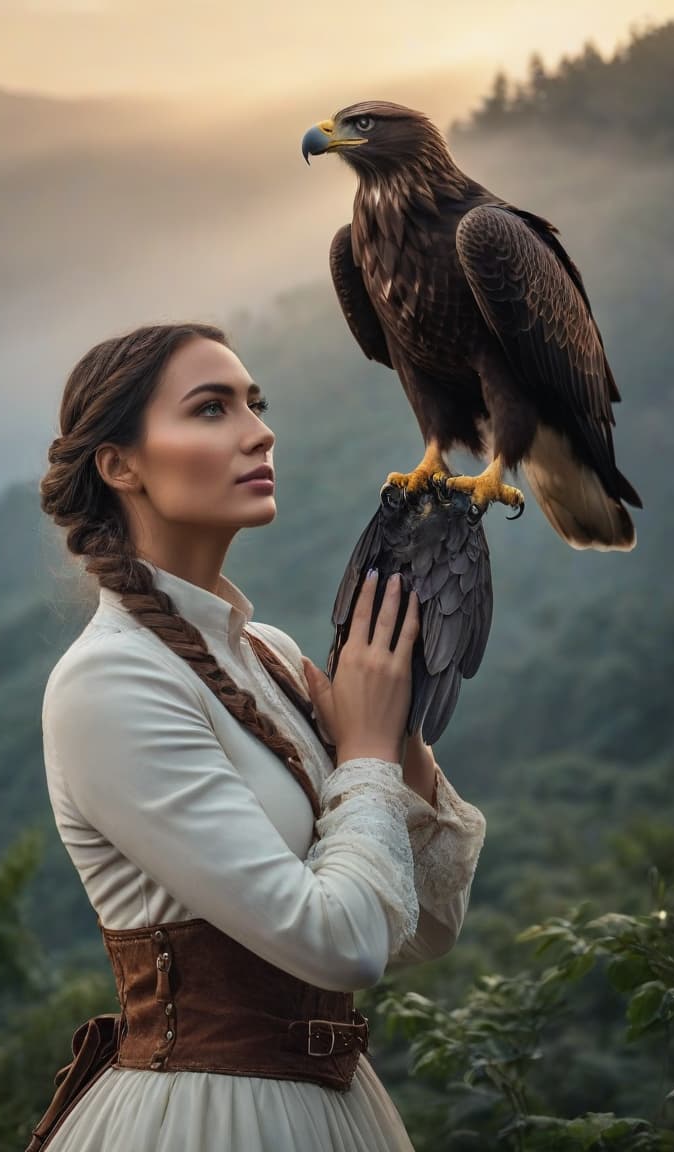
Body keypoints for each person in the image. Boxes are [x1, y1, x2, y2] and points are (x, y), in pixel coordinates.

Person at [37, 322, 486, 1152]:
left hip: (336, 1111)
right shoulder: (110, 682)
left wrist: (401, 753)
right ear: (119, 465)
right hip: (208, 1122)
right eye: (212, 409)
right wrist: (364, 756)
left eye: (256, 402)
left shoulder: (268, 656)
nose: (260, 429)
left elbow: (419, 930)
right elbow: (343, 947)